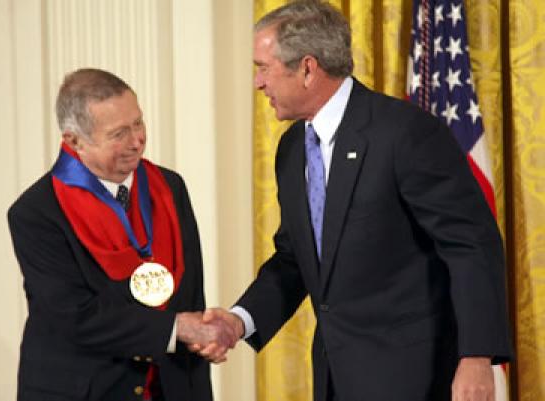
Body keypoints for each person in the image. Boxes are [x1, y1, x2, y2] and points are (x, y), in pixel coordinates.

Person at [202, 1, 512, 400]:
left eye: (263, 67)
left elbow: (470, 245)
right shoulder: (294, 147)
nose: (258, 82)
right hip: (335, 377)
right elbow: (296, 258)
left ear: (307, 68)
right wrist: (238, 321)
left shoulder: (404, 133)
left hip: (415, 377)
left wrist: (476, 357)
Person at [8, 68, 232, 401]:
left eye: (138, 123)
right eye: (119, 133)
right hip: (85, 389)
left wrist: (205, 337)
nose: (136, 140)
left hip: (173, 386)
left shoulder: (170, 187)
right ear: (74, 140)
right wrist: (179, 329)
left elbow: (189, 295)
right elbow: (74, 316)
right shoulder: (36, 212)